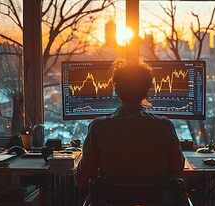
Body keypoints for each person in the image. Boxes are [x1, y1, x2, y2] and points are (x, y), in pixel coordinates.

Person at [74, 59, 184, 188]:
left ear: (116, 89)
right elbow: (178, 167)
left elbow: (82, 181)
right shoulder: (164, 125)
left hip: (111, 205)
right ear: (147, 91)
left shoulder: (99, 127)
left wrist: (78, 164)